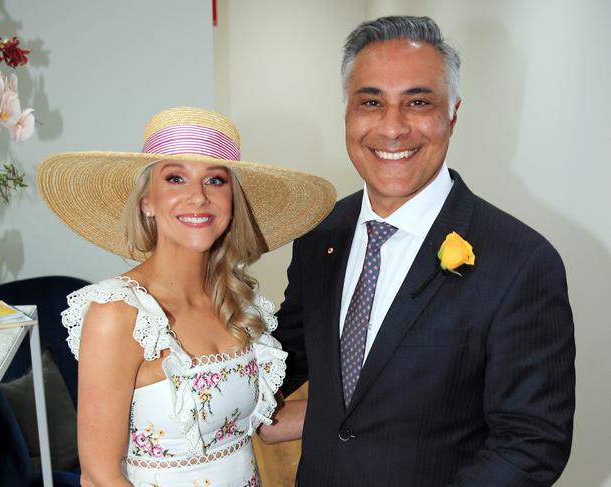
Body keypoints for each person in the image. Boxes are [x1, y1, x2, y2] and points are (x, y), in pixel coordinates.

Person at [272, 16, 575, 486]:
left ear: (452, 113)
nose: (392, 128)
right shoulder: (320, 234)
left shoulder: (521, 263)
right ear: (347, 114)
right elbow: (284, 357)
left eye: (417, 102)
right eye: (371, 102)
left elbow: (531, 443)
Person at [36, 107, 335, 486]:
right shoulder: (119, 313)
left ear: (232, 201)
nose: (198, 197)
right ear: (147, 200)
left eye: (215, 180)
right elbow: (100, 476)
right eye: (176, 178)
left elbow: (266, 424)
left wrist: (374, 404)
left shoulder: (239, 306)